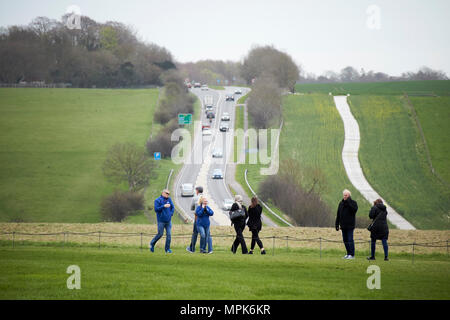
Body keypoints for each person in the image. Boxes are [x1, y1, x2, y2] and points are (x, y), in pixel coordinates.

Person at [187, 187, 213, 254]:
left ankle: (192, 249)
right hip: (205, 219)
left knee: (195, 234)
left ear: (197, 191)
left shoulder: (195, 198)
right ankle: (210, 249)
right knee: (207, 235)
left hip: (197, 219)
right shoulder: (205, 198)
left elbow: (192, 208)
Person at [335, 189, 358, 259]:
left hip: (350, 225)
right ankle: (348, 253)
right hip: (343, 225)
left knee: (350, 239)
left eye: (346, 195)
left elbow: (354, 210)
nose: (345, 196)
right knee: (345, 240)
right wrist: (336, 224)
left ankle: (352, 254)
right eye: (344, 195)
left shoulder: (353, 203)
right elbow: (338, 214)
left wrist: (348, 203)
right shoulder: (341, 203)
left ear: (349, 195)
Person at [150, 189, 175, 253]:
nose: (167, 195)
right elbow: (156, 209)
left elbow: (173, 207)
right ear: (163, 193)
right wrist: (163, 206)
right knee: (160, 234)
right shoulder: (157, 200)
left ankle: (167, 249)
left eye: (168, 194)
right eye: (166, 193)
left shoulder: (169, 199)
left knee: (169, 235)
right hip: (161, 220)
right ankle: (152, 243)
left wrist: (171, 214)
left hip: (168, 221)